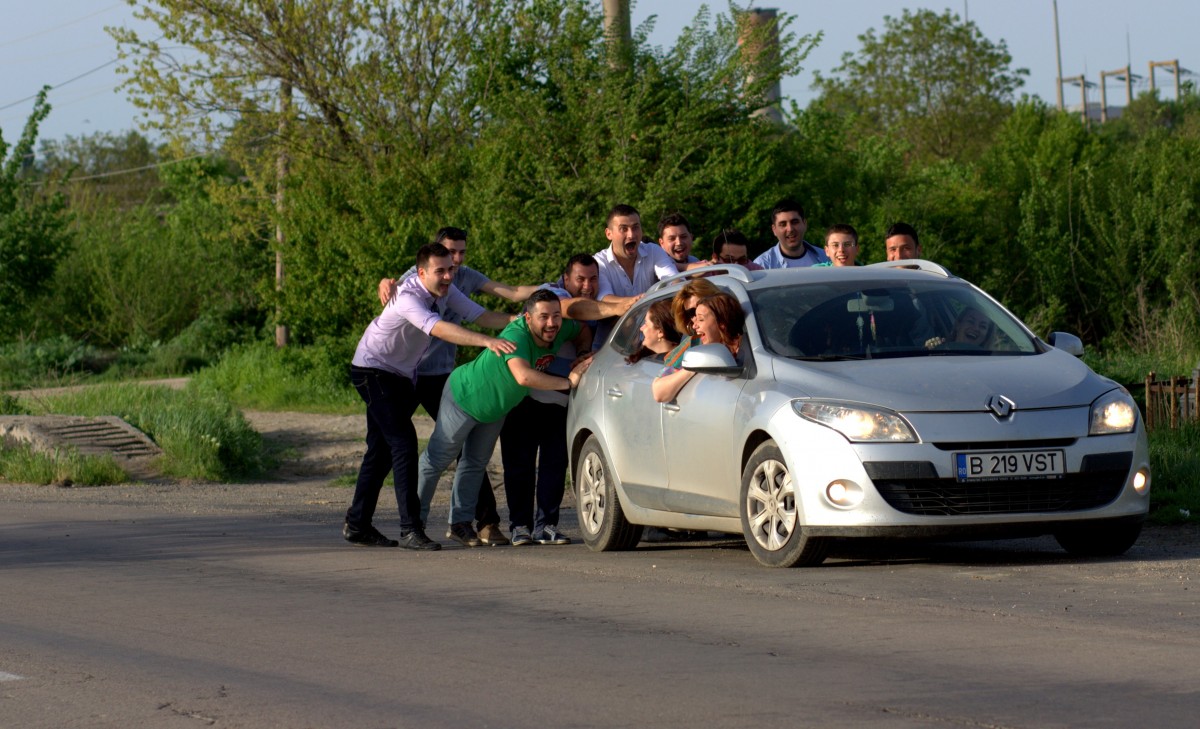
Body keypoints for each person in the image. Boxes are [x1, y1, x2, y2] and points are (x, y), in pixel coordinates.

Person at [345, 243, 517, 550]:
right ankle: (411, 529)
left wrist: (521, 320)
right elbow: (439, 329)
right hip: (372, 370)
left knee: (380, 451)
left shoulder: (444, 290)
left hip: (399, 375)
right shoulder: (409, 297)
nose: (448, 277)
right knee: (403, 443)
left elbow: (481, 315)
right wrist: (486, 343)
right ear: (421, 272)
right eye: (441, 271)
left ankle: (357, 525)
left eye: (451, 270)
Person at [376, 227, 540, 546]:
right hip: (405, 373)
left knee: (466, 447)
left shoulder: (461, 276)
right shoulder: (419, 274)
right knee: (388, 445)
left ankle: (479, 522)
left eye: (462, 252)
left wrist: (554, 290)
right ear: (434, 252)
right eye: (451, 252)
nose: (457, 260)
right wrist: (385, 281)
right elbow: (401, 295)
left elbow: (507, 293)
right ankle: (365, 519)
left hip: (439, 374)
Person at [417, 290, 592, 547]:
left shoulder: (560, 328)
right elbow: (524, 376)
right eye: (543, 317)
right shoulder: (517, 335)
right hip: (465, 397)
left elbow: (582, 329)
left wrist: (584, 350)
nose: (552, 323)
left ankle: (460, 524)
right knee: (437, 460)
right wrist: (568, 382)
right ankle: (413, 522)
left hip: (497, 408)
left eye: (556, 315)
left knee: (475, 464)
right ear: (527, 318)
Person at [497, 255, 628, 547]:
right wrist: (623, 304)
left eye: (593, 279)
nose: (587, 285)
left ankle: (546, 526)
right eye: (580, 279)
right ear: (565, 280)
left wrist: (583, 350)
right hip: (524, 398)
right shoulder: (554, 298)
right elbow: (574, 309)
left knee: (555, 466)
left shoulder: (576, 317)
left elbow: (581, 329)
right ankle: (520, 526)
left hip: (560, 402)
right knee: (519, 465)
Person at [593, 204, 680, 346]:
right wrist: (642, 301)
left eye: (635, 227)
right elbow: (605, 299)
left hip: (653, 343)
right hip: (612, 346)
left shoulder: (653, 251)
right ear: (609, 234)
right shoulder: (598, 262)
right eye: (623, 229)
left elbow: (675, 282)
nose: (631, 234)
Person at [653, 292, 745, 403]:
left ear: (722, 323)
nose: (694, 325)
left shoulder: (749, 349)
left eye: (701, 320)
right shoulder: (695, 343)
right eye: (694, 317)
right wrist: (692, 369)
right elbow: (659, 393)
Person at [662, 279, 723, 369]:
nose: (698, 314)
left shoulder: (745, 338)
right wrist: (692, 368)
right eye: (692, 312)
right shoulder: (694, 342)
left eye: (702, 306)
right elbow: (662, 379)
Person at [753, 199, 830, 269]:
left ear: (805, 224)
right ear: (774, 230)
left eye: (795, 222)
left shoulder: (826, 257)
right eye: (783, 224)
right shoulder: (762, 265)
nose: (790, 229)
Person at [626, 299, 682, 364]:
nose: (641, 328)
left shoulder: (675, 363)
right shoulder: (679, 356)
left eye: (646, 324)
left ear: (660, 332)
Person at [925, 306, 994, 349]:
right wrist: (929, 349)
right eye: (971, 321)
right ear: (958, 325)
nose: (976, 328)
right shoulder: (941, 349)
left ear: (987, 335)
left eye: (982, 326)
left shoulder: (989, 362)